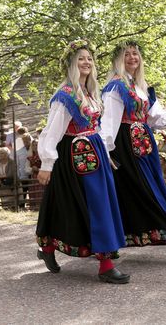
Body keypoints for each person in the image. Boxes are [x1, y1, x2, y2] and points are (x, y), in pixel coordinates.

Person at [36, 39, 129, 284]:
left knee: (93, 205)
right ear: (71, 65)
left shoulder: (90, 93)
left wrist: (106, 154)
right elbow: (52, 131)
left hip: (94, 154)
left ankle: (49, 249)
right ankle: (105, 264)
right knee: (84, 206)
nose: (86, 62)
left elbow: (96, 127)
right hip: (74, 157)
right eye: (81, 59)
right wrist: (47, 164)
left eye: (89, 58)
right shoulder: (65, 96)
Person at [100, 40, 166, 263]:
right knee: (146, 192)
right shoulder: (116, 87)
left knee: (130, 194)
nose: (133, 58)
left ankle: (109, 245)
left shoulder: (138, 86)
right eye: (127, 55)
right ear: (118, 60)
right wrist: (106, 152)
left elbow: (153, 114)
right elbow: (109, 122)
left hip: (143, 147)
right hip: (125, 148)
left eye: (135, 54)